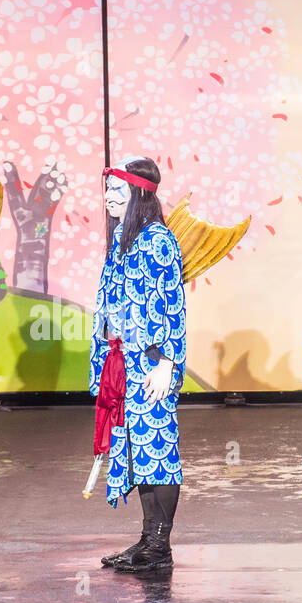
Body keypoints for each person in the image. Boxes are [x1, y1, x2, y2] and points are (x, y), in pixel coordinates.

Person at [91, 156, 187, 573]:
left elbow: (172, 307)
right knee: (138, 451)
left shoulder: (159, 241)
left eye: (118, 191)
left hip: (150, 362)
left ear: (140, 193)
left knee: (158, 451)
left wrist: (167, 361)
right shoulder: (122, 240)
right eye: (108, 190)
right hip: (122, 362)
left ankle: (159, 546)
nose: (109, 198)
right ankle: (148, 539)